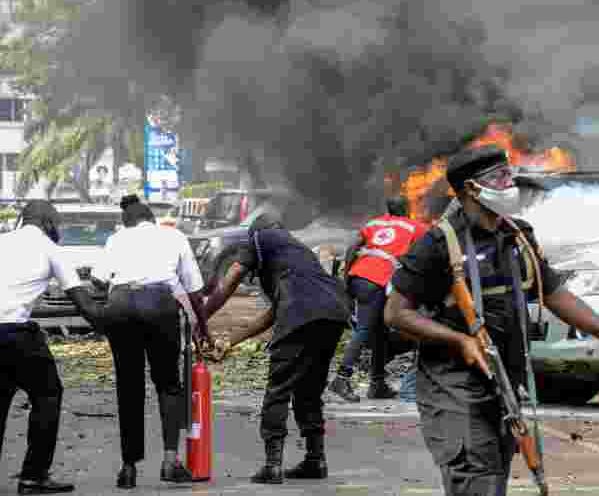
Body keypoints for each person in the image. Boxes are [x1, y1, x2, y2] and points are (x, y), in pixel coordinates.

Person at [385, 145, 599, 496]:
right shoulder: (438, 243)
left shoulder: (519, 237)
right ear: (471, 190)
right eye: (499, 178)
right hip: (453, 383)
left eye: (509, 175)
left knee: (495, 470)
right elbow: (396, 313)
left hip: (504, 377)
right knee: (476, 472)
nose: (510, 184)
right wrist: (459, 340)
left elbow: (554, 294)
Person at [201, 207, 351, 484]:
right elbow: (276, 312)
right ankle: (315, 460)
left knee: (279, 389)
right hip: (333, 312)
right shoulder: (299, 253)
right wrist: (230, 341)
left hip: (304, 310)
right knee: (309, 388)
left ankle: (272, 465)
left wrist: (202, 318)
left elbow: (231, 279)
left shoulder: (261, 238)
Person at [0, 200, 105, 494]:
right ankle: (33, 476)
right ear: (49, 223)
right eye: (58, 225)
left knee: (0, 389)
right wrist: (115, 324)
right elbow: (85, 305)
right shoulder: (51, 250)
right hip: (13, 331)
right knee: (48, 393)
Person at [92, 195, 210, 489]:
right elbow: (195, 289)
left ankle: (128, 467)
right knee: (168, 383)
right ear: (151, 219)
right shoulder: (174, 236)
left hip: (120, 306)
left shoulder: (115, 239)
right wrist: (202, 327)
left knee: (128, 385)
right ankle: (170, 462)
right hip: (159, 305)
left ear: (126, 222)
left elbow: (97, 279)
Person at [329, 196, 428, 402]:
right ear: (408, 209)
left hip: (359, 277)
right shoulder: (414, 227)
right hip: (377, 281)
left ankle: (377, 384)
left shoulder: (374, 223)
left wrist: (347, 279)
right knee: (364, 330)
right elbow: (425, 253)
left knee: (380, 333)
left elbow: (351, 248)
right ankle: (341, 378)